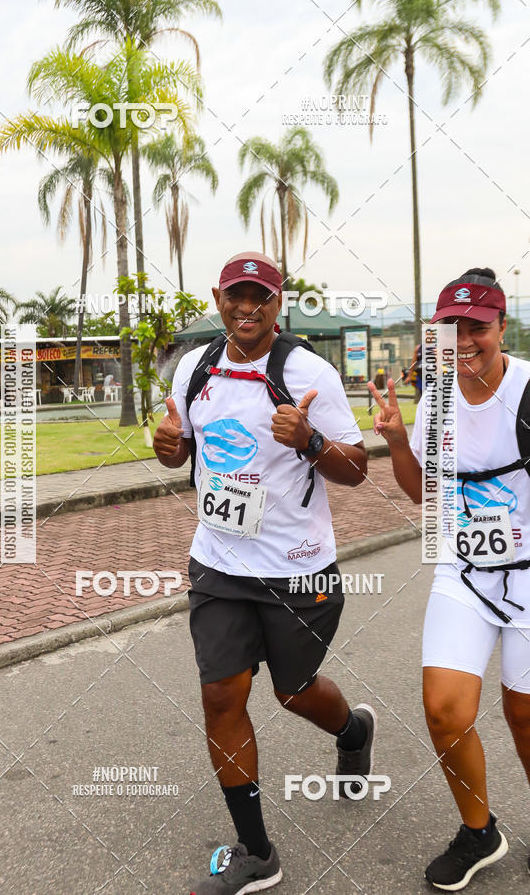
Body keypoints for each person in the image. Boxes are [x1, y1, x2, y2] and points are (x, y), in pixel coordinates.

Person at [154, 251, 377, 894]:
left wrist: (308, 441)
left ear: (278, 304)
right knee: (222, 694)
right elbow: (182, 453)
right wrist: (170, 450)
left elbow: (357, 469)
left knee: (293, 691)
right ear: (217, 299)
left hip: (297, 571)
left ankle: (353, 728)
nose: (246, 307)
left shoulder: (309, 372)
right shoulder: (194, 369)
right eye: (235, 295)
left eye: (260, 296)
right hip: (219, 562)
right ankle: (256, 852)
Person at [369, 268, 530, 890]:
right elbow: (424, 498)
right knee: (444, 709)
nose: (464, 339)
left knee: (523, 713)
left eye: (477, 326)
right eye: (451, 326)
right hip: (464, 571)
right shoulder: (436, 392)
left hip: (527, 579)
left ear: (500, 326)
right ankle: (478, 831)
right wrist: (399, 443)